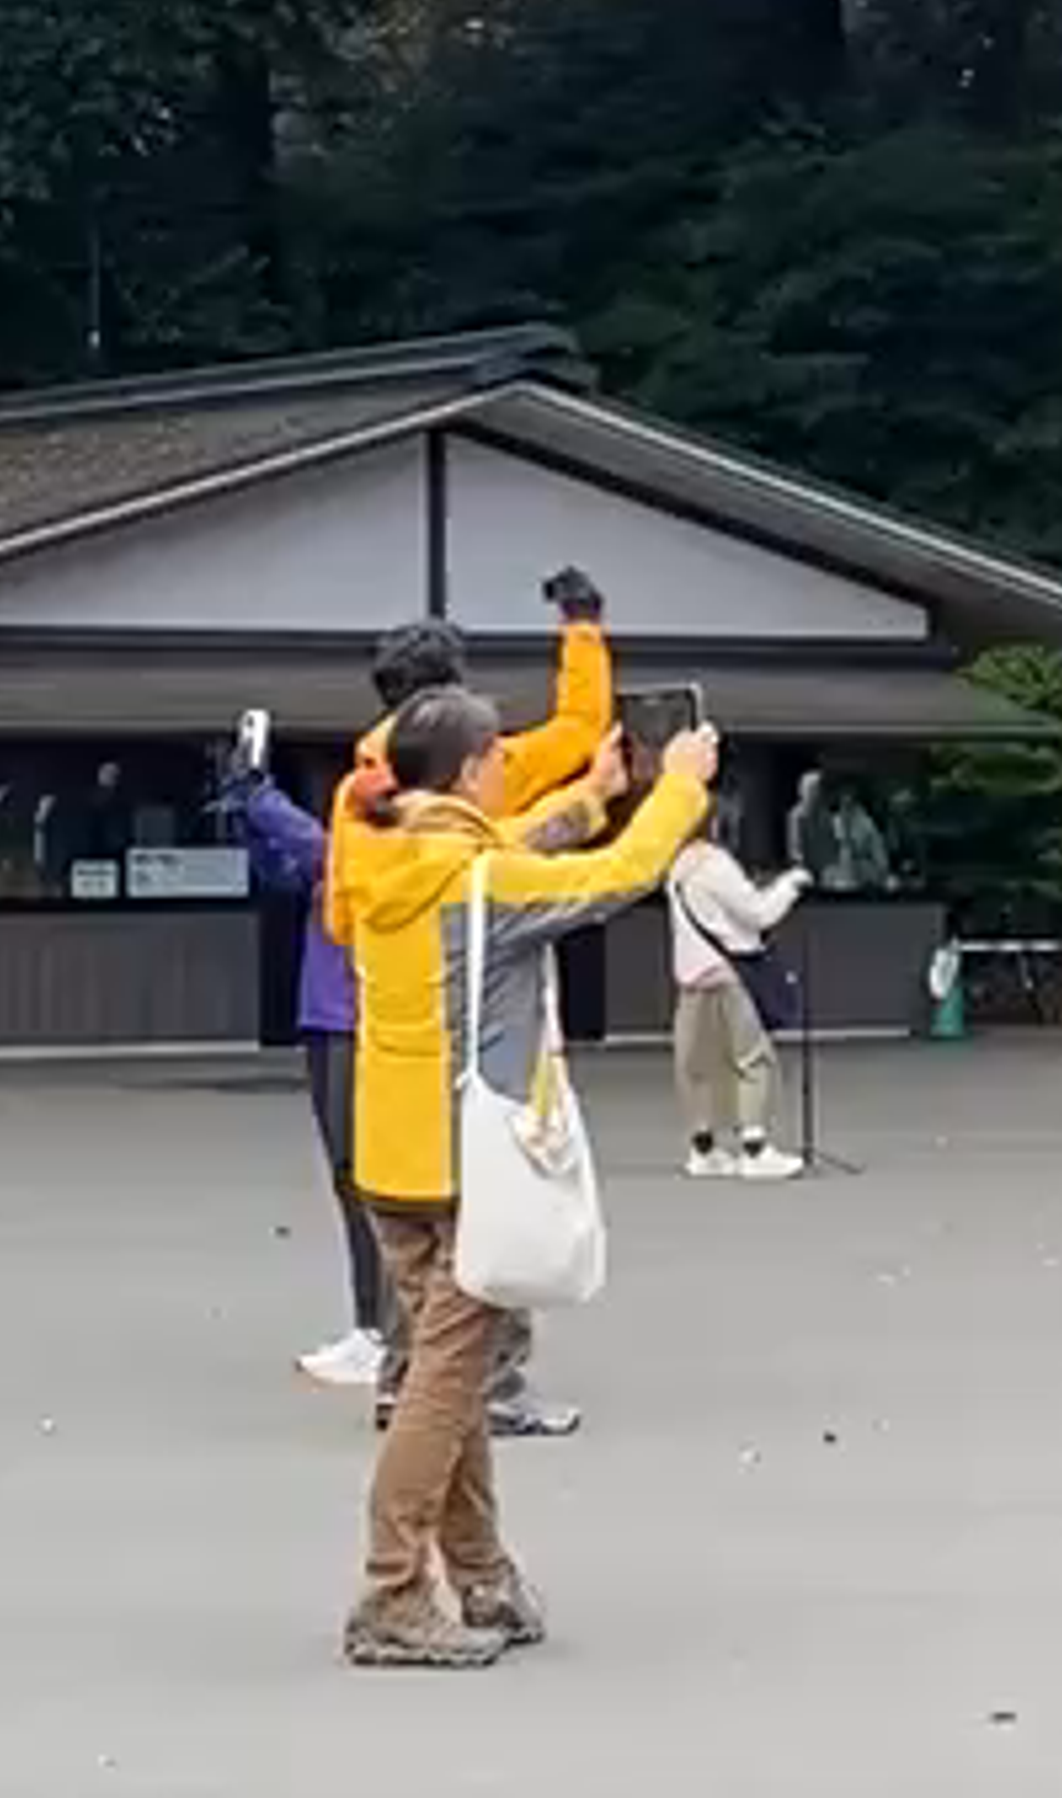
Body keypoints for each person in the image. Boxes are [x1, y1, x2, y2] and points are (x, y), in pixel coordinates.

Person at [336, 690, 715, 1668]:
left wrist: (593, 793)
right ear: (465, 773)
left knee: (446, 1371)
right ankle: (392, 1587)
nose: (507, 766)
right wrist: (676, 793)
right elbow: (612, 878)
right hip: (475, 1158)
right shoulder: (477, 883)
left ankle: (481, 1573)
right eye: (496, 756)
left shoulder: (387, 853)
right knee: (446, 1378)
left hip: (393, 1151)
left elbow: (513, 844)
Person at [321, 578, 615, 1442]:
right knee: (490, 1207)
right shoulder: (474, 762)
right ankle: (493, 1389)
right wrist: (583, 631)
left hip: (385, 1007)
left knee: (412, 1225)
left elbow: (343, 906)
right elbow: (576, 731)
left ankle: (402, 1380)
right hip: (474, 1006)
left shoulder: (360, 786)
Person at [215, 723, 389, 1388]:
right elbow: (288, 869)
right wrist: (250, 818)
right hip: (326, 1017)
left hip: (359, 1021)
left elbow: (319, 853)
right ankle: (373, 1323)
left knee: (367, 1180)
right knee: (350, 1179)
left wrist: (262, 797)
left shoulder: (378, 845)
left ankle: (383, 1330)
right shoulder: (342, 849)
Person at [667, 786, 808, 1175]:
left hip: (690, 976)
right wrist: (790, 885)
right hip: (729, 974)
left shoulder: (675, 866)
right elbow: (758, 914)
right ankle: (755, 1148)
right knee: (751, 1058)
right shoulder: (715, 866)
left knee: (695, 1065)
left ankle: (703, 1148)